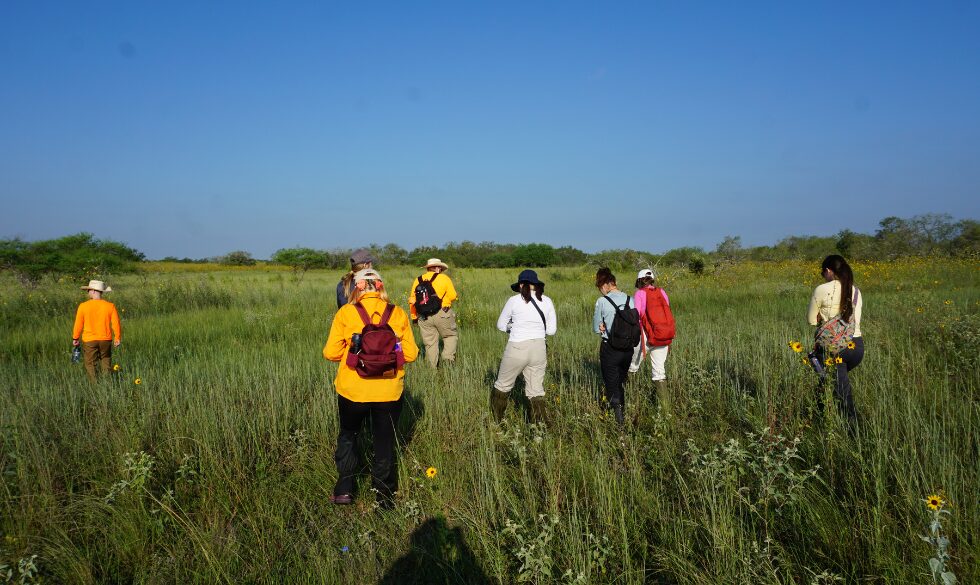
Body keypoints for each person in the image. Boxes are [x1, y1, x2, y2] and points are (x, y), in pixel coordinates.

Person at [323, 268, 419, 508]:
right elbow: (412, 354)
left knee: (349, 435)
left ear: (356, 288)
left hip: (353, 391)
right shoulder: (396, 313)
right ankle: (385, 498)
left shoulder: (346, 312)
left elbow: (331, 353)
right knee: (384, 442)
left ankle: (345, 488)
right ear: (379, 286)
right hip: (388, 391)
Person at [490, 270, 557, 425]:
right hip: (539, 348)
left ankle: (497, 423)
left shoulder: (514, 300)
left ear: (521, 284)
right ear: (536, 284)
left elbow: (501, 325)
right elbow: (551, 331)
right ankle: (538, 429)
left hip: (517, 347)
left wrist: (512, 327)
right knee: (536, 390)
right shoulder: (547, 301)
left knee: (503, 385)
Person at [807, 254, 864, 430]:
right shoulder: (855, 290)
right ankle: (817, 414)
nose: (823, 277)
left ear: (829, 271)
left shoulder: (822, 289)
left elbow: (811, 321)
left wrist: (821, 318)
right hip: (856, 347)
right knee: (828, 380)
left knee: (843, 394)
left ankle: (854, 432)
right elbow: (856, 320)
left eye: (823, 273)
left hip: (835, 349)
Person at [593, 267, 636, 425]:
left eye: (600, 288)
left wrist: (603, 326)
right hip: (628, 349)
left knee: (611, 383)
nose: (601, 291)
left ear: (605, 285)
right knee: (620, 381)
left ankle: (619, 422)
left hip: (610, 348)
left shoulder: (602, 301)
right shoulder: (631, 299)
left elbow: (595, 328)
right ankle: (620, 411)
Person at [629, 268, 674, 409]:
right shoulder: (662, 292)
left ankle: (631, 400)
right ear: (652, 279)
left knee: (632, 367)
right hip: (662, 335)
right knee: (659, 372)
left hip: (645, 336)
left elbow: (637, 315)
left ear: (639, 280)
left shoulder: (640, 293)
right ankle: (666, 410)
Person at [407, 258, 459, 368]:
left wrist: (414, 317)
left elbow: (412, 299)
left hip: (423, 316)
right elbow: (453, 295)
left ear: (428, 268)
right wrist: (445, 301)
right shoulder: (444, 278)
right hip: (442, 313)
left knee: (430, 343)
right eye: (440, 267)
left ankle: (432, 369)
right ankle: (447, 358)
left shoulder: (418, 280)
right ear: (437, 267)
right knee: (449, 336)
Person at [72, 280, 122, 383]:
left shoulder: (83, 306)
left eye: (89, 290)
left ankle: (95, 385)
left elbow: (78, 324)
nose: (88, 292)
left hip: (89, 340)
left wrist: (75, 337)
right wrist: (117, 337)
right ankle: (107, 383)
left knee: (90, 363)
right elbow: (116, 323)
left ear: (94, 291)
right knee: (106, 360)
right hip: (105, 339)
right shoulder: (110, 306)